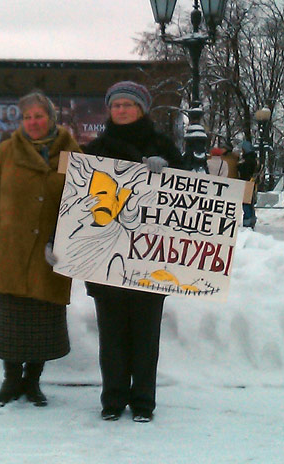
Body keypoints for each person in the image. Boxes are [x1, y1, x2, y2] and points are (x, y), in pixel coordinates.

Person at [0, 91, 81, 408]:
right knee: (12, 323)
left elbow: (87, 201)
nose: (33, 122)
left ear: (52, 118)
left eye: (39, 116)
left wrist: (71, 243)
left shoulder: (72, 154)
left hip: (51, 252)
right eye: (27, 117)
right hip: (9, 252)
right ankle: (11, 380)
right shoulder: (4, 153)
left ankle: (33, 382)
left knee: (43, 322)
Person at [81, 80, 182, 423]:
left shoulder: (163, 145)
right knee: (111, 336)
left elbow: (188, 199)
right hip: (105, 256)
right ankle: (112, 399)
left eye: (128, 104)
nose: (121, 110)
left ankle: (143, 401)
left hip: (149, 258)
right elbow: (77, 202)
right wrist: (58, 241)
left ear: (141, 109)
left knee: (145, 334)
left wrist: (168, 170)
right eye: (116, 105)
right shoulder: (94, 148)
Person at [237, 141, 259, 228]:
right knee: (250, 203)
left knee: (246, 204)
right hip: (251, 182)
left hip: (247, 183)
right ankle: (251, 219)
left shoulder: (247, 160)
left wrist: (239, 166)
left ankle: (247, 222)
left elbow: (244, 171)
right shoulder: (253, 158)